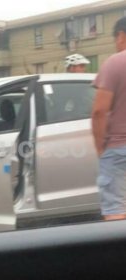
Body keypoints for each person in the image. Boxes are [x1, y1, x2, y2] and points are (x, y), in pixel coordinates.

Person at [92, 17, 126, 221]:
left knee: (116, 211)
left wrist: (100, 147)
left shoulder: (115, 63)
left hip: (118, 148)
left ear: (121, 36)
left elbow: (98, 111)